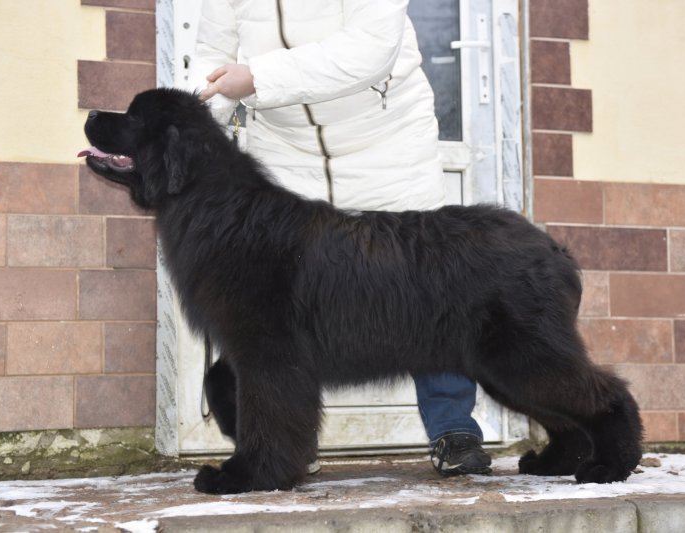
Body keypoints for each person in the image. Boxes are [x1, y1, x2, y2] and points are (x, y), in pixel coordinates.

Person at [191, 0, 491, 477]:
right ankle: (282, 445)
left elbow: (370, 48)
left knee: (429, 288)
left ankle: (453, 429)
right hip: (287, 151)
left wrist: (256, 78)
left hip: (384, 141)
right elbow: (210, 51)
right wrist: (207, 107)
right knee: (280, 308)